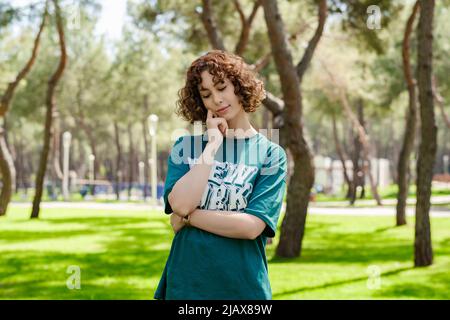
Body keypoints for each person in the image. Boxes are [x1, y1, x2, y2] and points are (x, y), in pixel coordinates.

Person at [154, 50, 287, 300]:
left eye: (221, 87)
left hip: (243, 290)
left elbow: (251, 227)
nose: (216, 99)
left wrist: (189, 218)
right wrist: (212, 145)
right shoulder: (186, 148)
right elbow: (180, 204)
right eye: (206, 95)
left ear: (239, 85)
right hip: (186, 288)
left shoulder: (271, 154)